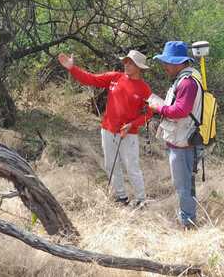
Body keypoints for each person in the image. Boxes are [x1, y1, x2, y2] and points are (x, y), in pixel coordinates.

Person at [58, 50, 153, 207]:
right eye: (126, 62)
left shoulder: (144, 89)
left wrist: (132, 125)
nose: (127, 65)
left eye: (131, 63)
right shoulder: (115, 77)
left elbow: (150, 113)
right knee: (111, 164)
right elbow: (91, 79)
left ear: (139, 67)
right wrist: (72, 68)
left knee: (132, 167)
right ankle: (120, 197)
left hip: (128, 134)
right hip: (108, 130)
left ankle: (141, 199)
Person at [148, 41, 203, 229]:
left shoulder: (187, 82)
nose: (165, 66)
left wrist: (159, 107)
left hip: (183, 144)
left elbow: (180, 110)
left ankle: (187, 224)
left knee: (183, 187)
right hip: (182, 140)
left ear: (179, 63)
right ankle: (189, 219)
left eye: (168, 62)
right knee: (186, 184)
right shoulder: (186, 79)